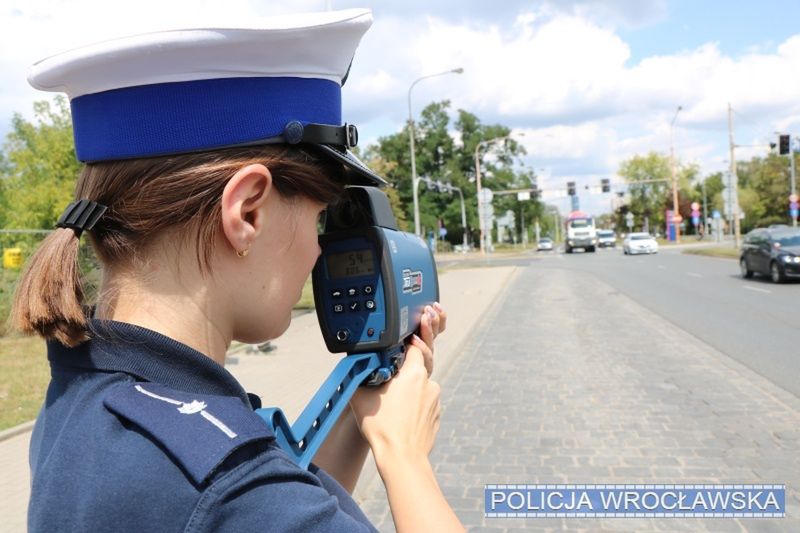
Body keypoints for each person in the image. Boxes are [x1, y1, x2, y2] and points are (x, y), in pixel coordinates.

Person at [14, 9, 462, 532]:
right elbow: (261, 505)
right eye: (318, 219)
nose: (317, 254)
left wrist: (359, 411)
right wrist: (405, 456)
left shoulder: (89, 397)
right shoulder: (227, 488)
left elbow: (291, 503)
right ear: (248, 212)